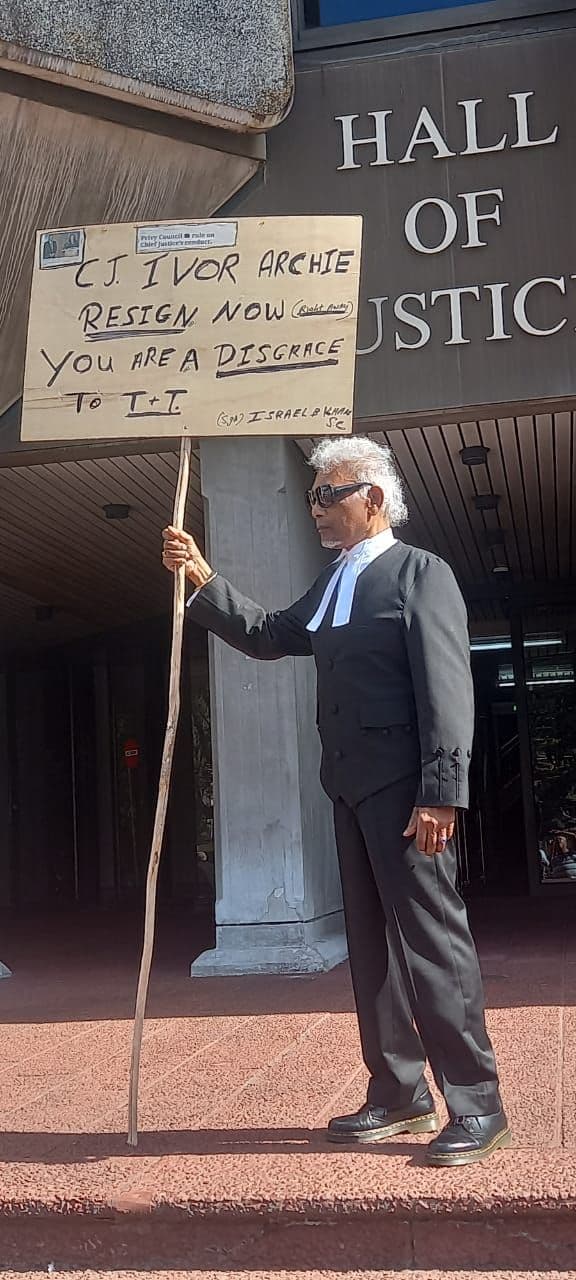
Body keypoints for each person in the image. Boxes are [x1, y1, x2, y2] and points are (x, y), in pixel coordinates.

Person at [162, 435, 509, 1167]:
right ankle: (399, 1092)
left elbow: (447, 689)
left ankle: (477, 1104)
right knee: (370, 951)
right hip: (349, 790)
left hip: (410, 797)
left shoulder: (421, 574)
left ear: (373, 498)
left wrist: (443, 792)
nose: (316, 507)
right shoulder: (334, 581)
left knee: (433, 947)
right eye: (313, 494)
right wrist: (202, 577)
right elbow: (269, 636)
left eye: (329, 494)